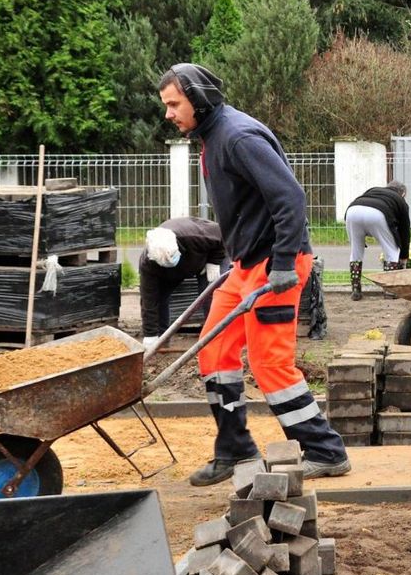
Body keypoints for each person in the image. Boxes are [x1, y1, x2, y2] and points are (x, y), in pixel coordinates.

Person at [158, 63, 349, 486]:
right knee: (213, 352)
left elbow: (290, 198)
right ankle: (235, 449)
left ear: (198, 99)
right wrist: (236, 259)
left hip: (275, 264)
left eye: (174, 104)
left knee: (269, 365)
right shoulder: (212, 137)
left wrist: (282, 264)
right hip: (245, 265)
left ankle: (326, 450)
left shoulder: (239, 137)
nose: (168, 114)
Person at [139, 217, 226, 350]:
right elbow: (149, 300)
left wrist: (214, 262)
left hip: (210, 255)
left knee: (210, 294)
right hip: (177, 269)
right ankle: (161, 342)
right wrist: (150, 335)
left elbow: (221, 236)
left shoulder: (194, 236)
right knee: (159, 298)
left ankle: (216, 339)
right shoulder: (148, 265)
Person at [345, 181, 411, 301]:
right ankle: (389, 291)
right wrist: (404, 255)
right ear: (403, 194)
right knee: (392, 251)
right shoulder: (400, 200)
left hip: (352, 211)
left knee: (356, 252)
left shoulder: (373, 190)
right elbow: (404, 230)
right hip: (378, 213)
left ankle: (355, 290)